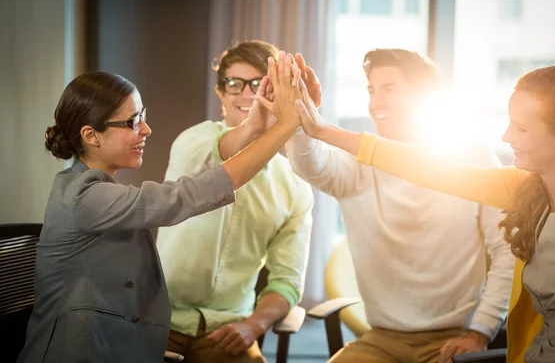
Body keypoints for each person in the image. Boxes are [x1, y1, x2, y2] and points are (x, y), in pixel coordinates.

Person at [278, 63, 555, 363]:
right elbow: (424, 168)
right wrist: (320, 129)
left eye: (521, 128)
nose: (506, 137)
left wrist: (480, 331)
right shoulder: (523, 189)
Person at [17, 58, 303, 363]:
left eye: (143, 116)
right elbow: (186, 196)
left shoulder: (91, 187)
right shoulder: (85, 197)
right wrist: (286, 126)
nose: (147, 130)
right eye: (133, 122)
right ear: (91, 135)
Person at [261, 50, 514, 363]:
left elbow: (507, 251)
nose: (375, 103)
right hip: (381, 339)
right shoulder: (358, 162)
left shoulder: (470, 156)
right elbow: (310, 165)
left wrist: (480, 332)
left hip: (455, 337)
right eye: (371, 90)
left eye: (389, 89)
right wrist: (299, 116)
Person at [156, 42, 313, 363]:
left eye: (260, 84)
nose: (249, 94)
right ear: (221, 93)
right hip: (156, 317)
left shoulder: (294, 185)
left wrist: (253, 325)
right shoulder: (193, 141)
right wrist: (256, 127)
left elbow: (287, 279)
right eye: (235, 83)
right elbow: (222, 154)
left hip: (227, 328)